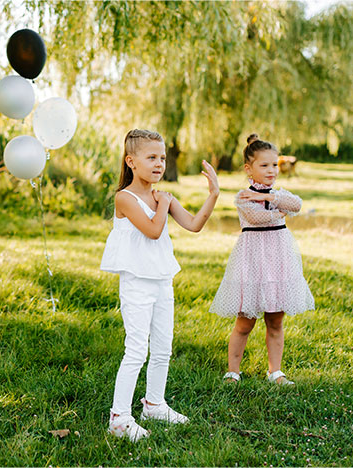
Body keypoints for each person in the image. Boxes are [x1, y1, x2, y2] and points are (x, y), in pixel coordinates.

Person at [100, 129, 219, 442]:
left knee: (163, 347)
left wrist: (213, 196)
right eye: (151, 157)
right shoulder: (124, 198)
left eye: (162, 158)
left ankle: (154, 403)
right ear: (131, 161)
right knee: (137, 349)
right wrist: (163, 203)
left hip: (162, 281)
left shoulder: (162, 196)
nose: (159, 163)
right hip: (137, 283)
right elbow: (153, 230)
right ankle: (119, 418)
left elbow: (193, 225)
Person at [209, 134, 314, 385]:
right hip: (253, 262)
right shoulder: (243, 196)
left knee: (275, 321)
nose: (271, 170)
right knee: (245, 322)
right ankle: (233, 371)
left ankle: (275, 371)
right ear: (249, 168)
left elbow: (297, 204)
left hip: (278, 260)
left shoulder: (277, 194)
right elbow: (259, 219)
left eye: (275, 165)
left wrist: (269, 198)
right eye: (264, 165)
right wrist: (279, 211)